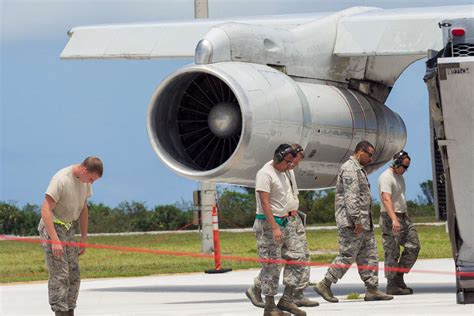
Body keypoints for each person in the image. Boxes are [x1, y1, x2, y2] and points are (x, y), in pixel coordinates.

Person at [314, 141, 393, 302]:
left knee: (370, 255)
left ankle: (372, 289)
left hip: (364, 222)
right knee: (347, 255)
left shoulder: (359, 169)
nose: (371, 159)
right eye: (370, 155)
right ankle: (325, 283)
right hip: (353, 223)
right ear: (360, 151)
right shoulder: (350, 169)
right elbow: (351, 198)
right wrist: (357, 220)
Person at [246, 144, 319, 310]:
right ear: (278, 158)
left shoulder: (286, 171)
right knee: (272, 265)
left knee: (299, 257)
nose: (291, 166)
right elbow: (264, 203)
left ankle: (287, 298)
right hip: (270, 224)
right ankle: (270, 306)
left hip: (288, 221)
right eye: (288, 162)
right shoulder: (265, 174)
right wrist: (274, 227)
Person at [38, 157, 103, 316]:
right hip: (52, 227)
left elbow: (83, 209)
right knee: (61, 275)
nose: (91, 183)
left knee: (74, 274)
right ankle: (60, 312)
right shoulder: (61, 180)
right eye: (91, 179)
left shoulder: (84, 182)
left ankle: (69, 311)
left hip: (68, 228)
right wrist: (54, 240)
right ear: (84, 170)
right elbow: (45, 210)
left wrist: (84, 238)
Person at [379, 150, 420, 295]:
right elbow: (386, 199)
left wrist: (403, 217)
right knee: (392, 251)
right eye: (404, 166)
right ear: (396, 163)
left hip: (404, 217)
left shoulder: (399, 176)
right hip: (391, 218)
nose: (406, 170)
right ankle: (391, 285)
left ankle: (399, 276)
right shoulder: (386, 177)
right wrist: (394, 219)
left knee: (414, 246)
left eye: (408, 167)